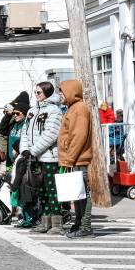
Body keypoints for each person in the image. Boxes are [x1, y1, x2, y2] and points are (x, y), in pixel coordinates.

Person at [20, 82, 64, 235]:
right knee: (41, 190)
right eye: (36, 92)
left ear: (47, 93)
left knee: (52, 190)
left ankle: (57, 223)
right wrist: (24, 150)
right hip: (35, 156)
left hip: (49, 157)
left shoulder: (54, 111)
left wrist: (33, 150)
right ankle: (45, 221)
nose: (36, 95)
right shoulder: (32, 110)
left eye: (39, 92)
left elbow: (51, 134)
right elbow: (24, 131)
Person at [58, 80, 93, 238]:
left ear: (71, 92)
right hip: (74, 159)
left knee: (83, 195)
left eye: (62, 92)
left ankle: (86, 227)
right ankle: (78, 223)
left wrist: (69, 159)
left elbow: (78, 136)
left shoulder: (79, 109)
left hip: (78, 159)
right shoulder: (72, 108)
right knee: (76, 194)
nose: (60, 95)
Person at [0, 92, 31, 166]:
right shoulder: (13, 123)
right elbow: (2, 130)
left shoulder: (27, 125)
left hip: (21, 161)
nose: (15, 115)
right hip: (10, 162)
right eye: (14, 113)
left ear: (24, 113)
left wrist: (16, 149)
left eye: (18, 113)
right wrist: (8, 115)